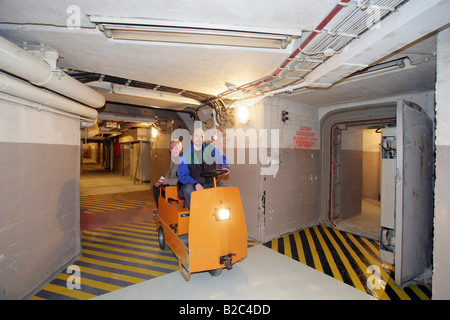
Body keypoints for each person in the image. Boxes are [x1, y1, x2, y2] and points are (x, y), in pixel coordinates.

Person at [178, 127, 229, 209]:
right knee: (188, 190)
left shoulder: (210, 148)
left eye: (201, 136)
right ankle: (196, 215)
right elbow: (183, 176)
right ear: (191, 137)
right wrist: (195, 184)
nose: (199, 138)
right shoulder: (185, 155)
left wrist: (225, 167)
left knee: (229, 189)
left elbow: (222, 159)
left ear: (203, 138)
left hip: (210, 182)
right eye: (196, 136)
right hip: (194, 185)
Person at [152, 140, 182, 208]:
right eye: (171, 148)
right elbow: (170, 172)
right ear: (170, 150)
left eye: (176, 148)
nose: (173, 150)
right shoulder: (174, 159)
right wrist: (161, 180)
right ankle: (161, 209)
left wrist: (167, 181)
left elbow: (182, 180)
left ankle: (163, 208)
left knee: (159, 189)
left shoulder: (183, 161)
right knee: (156, 186)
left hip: (179, 186)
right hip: (171, 183)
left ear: (180, 149)